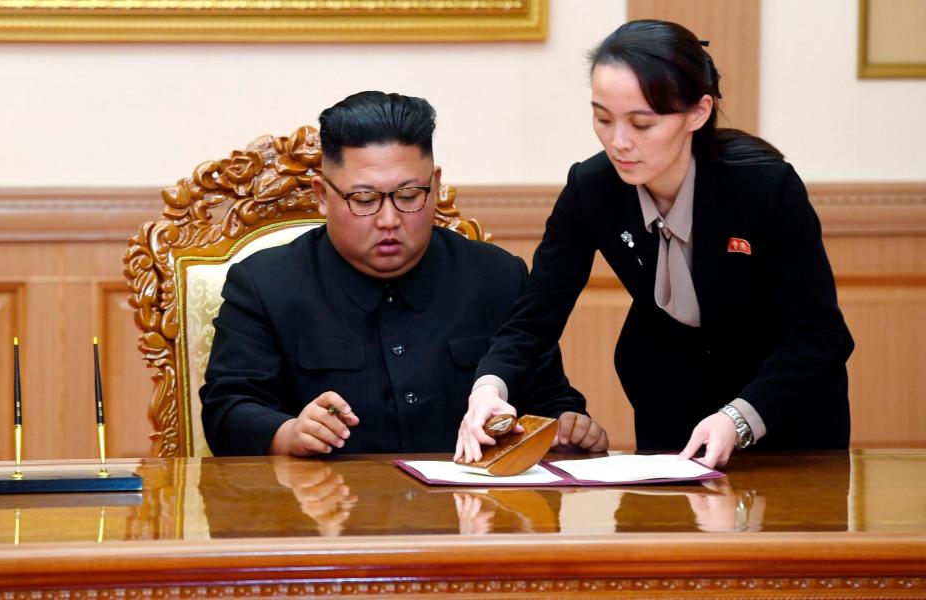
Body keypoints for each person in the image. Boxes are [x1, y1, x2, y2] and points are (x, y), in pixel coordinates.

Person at [455, 20, 853, 468]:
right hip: (670, 398)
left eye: (642, 123)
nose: (618, 142)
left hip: (784, 407)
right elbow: (534, 318)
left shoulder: (764, 188)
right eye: (603, 119)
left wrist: (738, 419)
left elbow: (819, 333)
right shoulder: (591, 189)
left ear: (698, 114)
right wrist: (489, 389)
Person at [200, 91, 608, 457]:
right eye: (364, 199)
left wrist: (570, 423)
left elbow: (550, 399)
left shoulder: (497, 276)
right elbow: (226, 411)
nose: (389, 219)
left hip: (470, 520)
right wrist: (289, 432)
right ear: (322, 196)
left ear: (435, 185)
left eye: (409, 196)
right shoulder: (265, 284)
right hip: (327, 521)